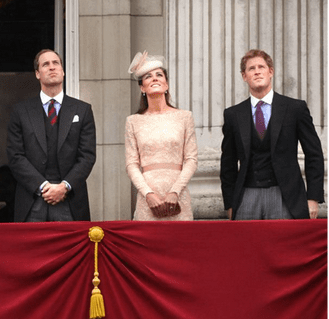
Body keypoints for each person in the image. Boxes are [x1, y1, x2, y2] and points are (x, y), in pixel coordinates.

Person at [220, 49, 324, 220]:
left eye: (262, 67)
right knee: (248, 246)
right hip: (247, 196)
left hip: (286, 195)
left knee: (284, 246)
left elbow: (314, 154)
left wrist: (313, 198)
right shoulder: (233, 114)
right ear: (244, 76)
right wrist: (230, 203)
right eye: (251, 68)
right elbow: (228, 163)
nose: (257, 71)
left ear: (271, 72)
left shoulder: (295, 108)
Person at [6, 49, 96, 222]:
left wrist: (64, 187)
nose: (52, 67)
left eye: (56, 63)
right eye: (45, 64)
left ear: (63, 71)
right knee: (31, 249)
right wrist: (43, 186)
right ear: (37, 73)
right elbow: (15, 156)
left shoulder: (82, 110)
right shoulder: (21, 111)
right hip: (32, 200)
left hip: (70, 200)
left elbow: (87, 156)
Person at [124, 51, 198, 220]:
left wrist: (175, 191)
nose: (155, 78)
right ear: (142, 87)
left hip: (178, 194)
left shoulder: (184, 117)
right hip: (147, 196)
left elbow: (191, 159)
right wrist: (148, 194)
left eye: (159, 75)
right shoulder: (133, 121)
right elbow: (131, 164)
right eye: (148, 76)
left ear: (166, 85)